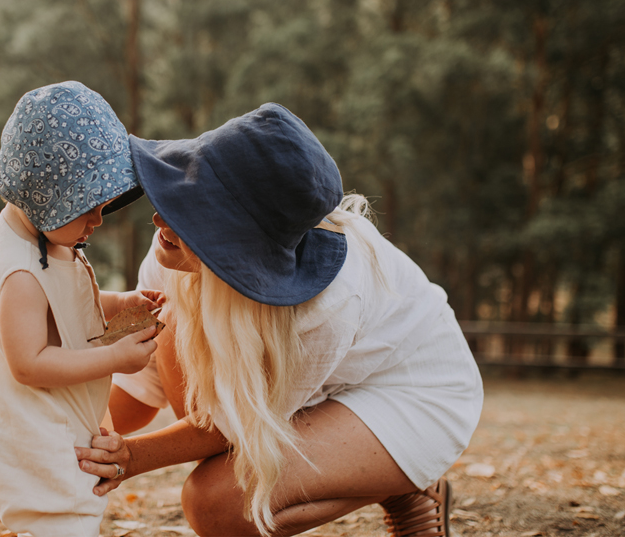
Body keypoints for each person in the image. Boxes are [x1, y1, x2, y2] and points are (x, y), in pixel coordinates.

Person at [74, 103, 484, 537]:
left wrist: (128, 458)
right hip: (323, 389)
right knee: (170, 314)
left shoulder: (328, 304)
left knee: (218, 505)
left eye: (192, 212)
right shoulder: (174, 252)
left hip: (411, 394)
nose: (159, 218)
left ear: (238, 242)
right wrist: (65, 431)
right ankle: (369, 469)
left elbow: (233, 427)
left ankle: (402, 480)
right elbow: (145, 385)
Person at [0, 81, 162, 537]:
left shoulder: (49, 239)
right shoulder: (19, 271)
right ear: (47, 198)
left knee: (77, 516)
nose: (98, 219)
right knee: (61, 519)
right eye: (87, 208)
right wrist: (117, 358)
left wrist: (118, 304)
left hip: (65, 421)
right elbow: (29, 362)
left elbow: (60, 306)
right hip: (42, 435)